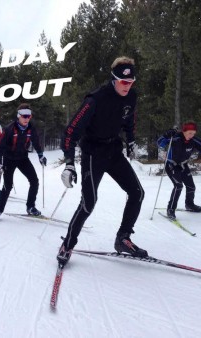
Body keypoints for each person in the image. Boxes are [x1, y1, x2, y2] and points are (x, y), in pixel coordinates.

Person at [57, 56, 147, 267]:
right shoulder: (95, 100)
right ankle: (67, 245)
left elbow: (129, 120)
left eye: (131, 82)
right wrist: (69, 162)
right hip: (92, 153)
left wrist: (131, 140)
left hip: (113, 150)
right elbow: (70, 132)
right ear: (114, 79)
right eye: (124, 82)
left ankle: (123, 238)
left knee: (137, 193)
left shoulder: (131, 97)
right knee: (88, 203)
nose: (127, 86)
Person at [0, 103, 47, 219]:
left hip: (22, 158)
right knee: (8, 186)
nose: (26, 119)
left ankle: (30, 207)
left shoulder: (31, 128)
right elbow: (0, 147)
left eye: (29, 116)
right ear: (18, 116)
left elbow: (36, 142)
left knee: (34, 181)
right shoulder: (9, 129)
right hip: (9, 159)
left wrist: (41, 156)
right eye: (24, 116)